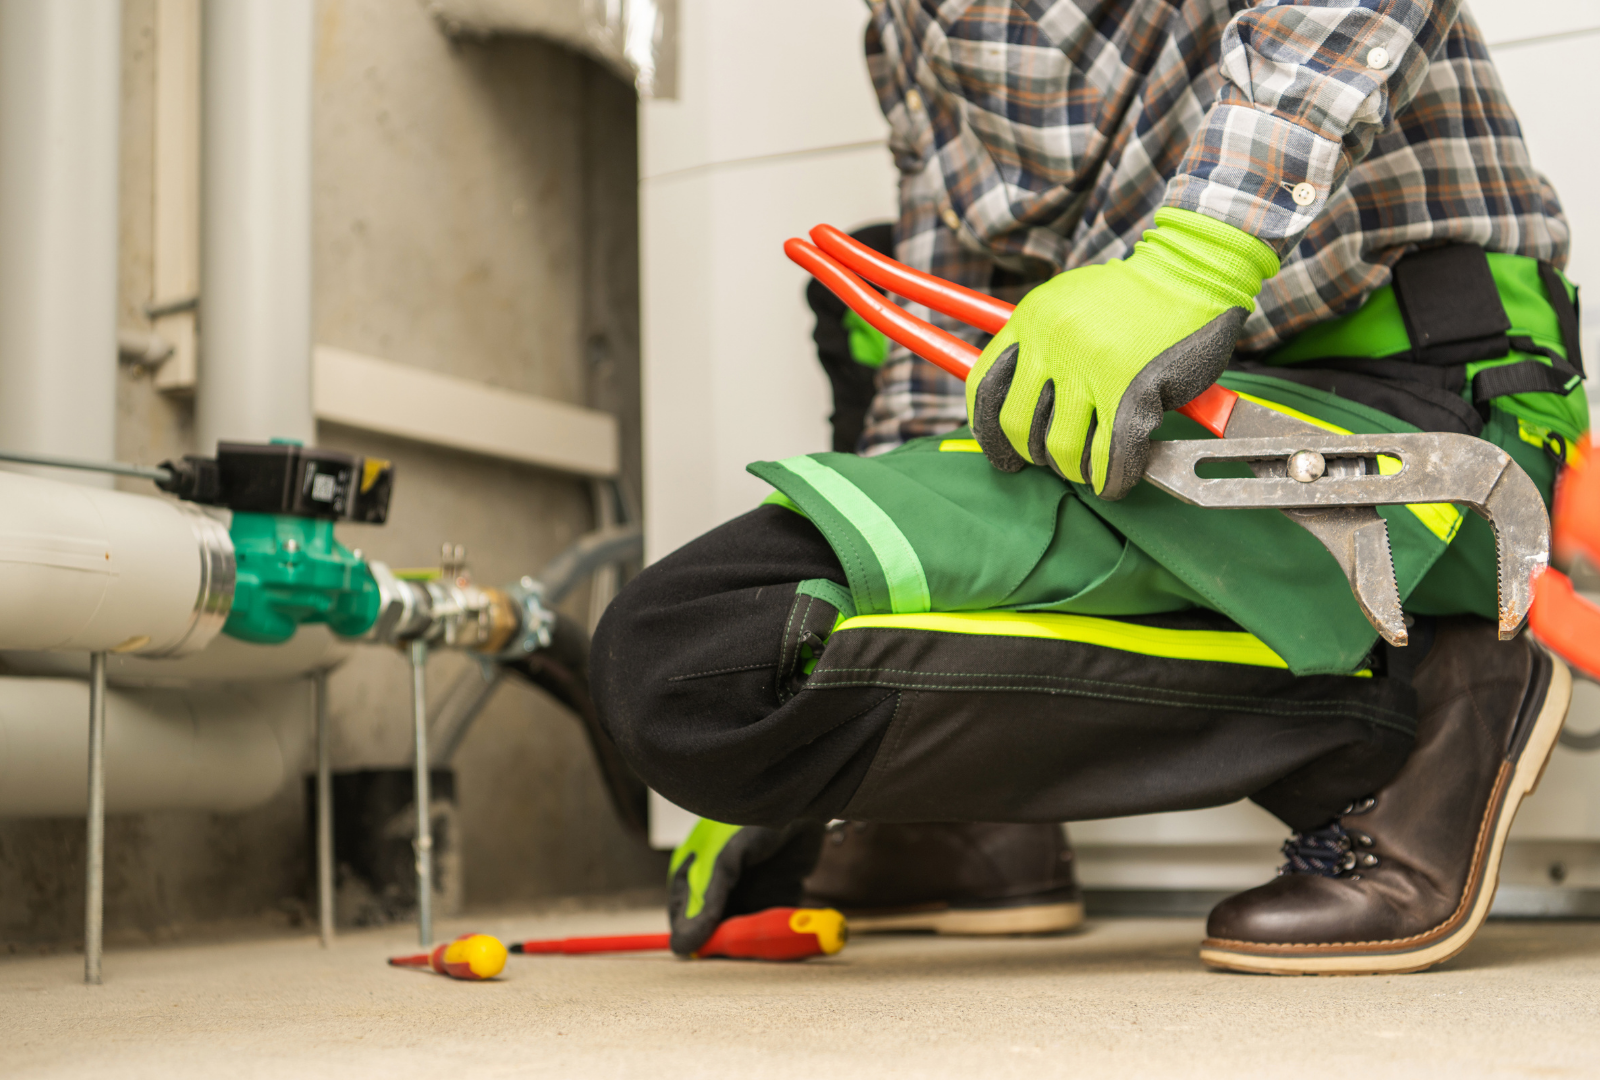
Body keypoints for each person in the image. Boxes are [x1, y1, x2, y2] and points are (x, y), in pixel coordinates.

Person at [593, 0, 1585, 973]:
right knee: (699, 661)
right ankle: (972, 828)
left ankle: (1427, 708)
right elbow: (949, 316)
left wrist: (1196, 257)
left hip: (1415, 381)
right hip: (1143, 427)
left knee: (690, 657)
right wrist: (799, 746)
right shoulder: (900, 23)